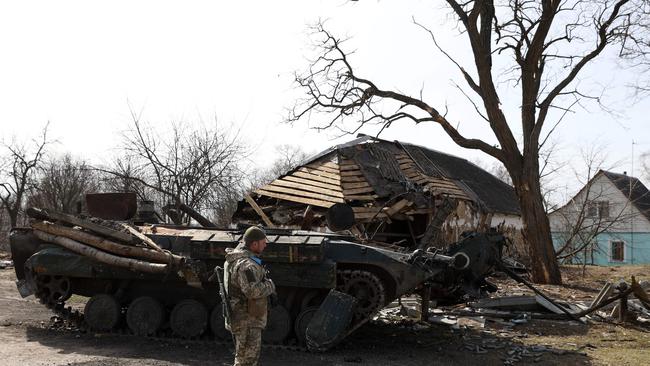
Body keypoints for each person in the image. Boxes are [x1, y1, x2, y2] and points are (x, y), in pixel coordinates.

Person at [224, 226, 276, 366]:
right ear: (254, 244)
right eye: (263, 242)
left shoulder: (242, 260)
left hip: (245, 317)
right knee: (247, 360)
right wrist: (270, 286)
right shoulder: (247, 265)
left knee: (244, 359)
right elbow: (252, 291)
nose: (265, 244)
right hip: (246, 319)